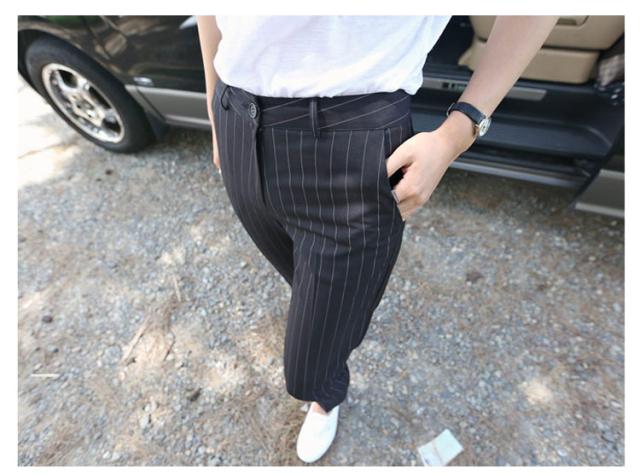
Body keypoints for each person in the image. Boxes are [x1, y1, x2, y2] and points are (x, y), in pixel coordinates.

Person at [196, 15, 559, 464]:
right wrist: (214, 107)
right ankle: (330, 339)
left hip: (351, 141)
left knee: (307, 367)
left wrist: (458, 131)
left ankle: (326, 393)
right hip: (236, 115)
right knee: (306, 283)